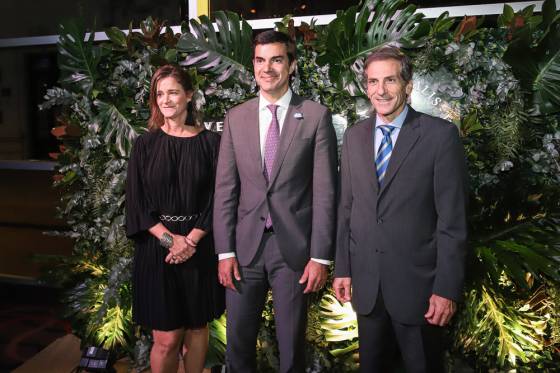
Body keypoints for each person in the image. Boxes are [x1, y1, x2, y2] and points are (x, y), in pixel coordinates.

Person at [333, 46, 468, 373]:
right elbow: (347, 209)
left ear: (408, 85)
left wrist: (445, 289)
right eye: (373, 81)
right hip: (368, 287)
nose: (381, 91)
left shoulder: (440, 137)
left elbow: (452, 222)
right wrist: (343, 268)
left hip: (420, 292)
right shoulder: (354, 137)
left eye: (390, 80)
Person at [213, 30, 338, 373]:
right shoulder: (235, 118)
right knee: (237, 345)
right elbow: (225, 190)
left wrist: (320, 256)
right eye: (260, 60)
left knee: (291, 346)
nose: (267, 68)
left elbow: (326, 192)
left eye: (276, 59)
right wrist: (225, 252)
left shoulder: (314, 116)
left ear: (292, 65)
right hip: (244, 251)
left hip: (293, 251)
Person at [125, 64, 224, 373]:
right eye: (159, 94)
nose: (165, 100)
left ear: (189, 95)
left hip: (200, 245)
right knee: (166, 339)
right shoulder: (144, 145)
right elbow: (137, 205)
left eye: (172, 92)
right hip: (157, 250)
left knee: (196, 329)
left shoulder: (212, 144)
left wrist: (191, 240)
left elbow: (219, 199)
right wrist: (171, 241)